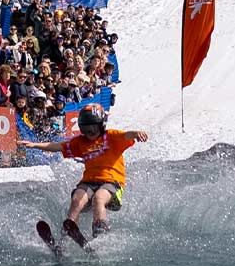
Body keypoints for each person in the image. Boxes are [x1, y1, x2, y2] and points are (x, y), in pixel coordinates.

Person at [21, 103, 147, 244]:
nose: (90, 132)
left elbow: (126, 135)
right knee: (76, 199)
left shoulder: (110, 137)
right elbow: (58, 146)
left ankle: (101, 237)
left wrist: (136, 133)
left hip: (112, 183)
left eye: (93, 128)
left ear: (101, 125)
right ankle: (66, 237)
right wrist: (35, 145)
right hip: (89, 182)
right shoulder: (80, 142)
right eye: (86, 129)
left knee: (98, 199)